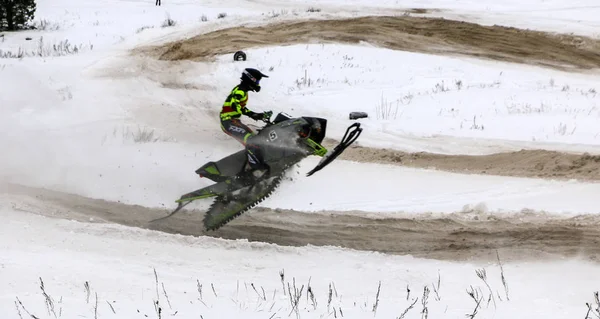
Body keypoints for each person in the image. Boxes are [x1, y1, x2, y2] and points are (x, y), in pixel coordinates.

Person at [219, 68, 273, 175]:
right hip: (228, 122)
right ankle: (255, 169)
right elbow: (235, 104)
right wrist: (252, 114)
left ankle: (248, 166)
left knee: (257, 141)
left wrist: (257, 115)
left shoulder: (242, 91)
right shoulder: (240, 90)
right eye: (257, 81)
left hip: (234, 121)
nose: (258, 84)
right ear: (251, 79)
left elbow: (240, 107)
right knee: (252, 142)